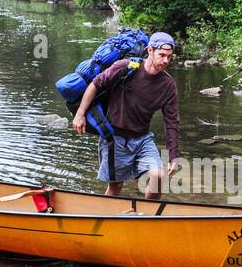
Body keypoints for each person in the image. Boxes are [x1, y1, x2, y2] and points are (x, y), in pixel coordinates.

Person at [71, 31, 181, 198]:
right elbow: (95, 85)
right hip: (115, 139)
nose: (166, 60)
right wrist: (80, 114)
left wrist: (173, 156)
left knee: (158, 177)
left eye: (169, 56)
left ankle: (148, 219)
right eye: (162, 55)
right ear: (150, 51)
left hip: (143, 139)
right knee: (116, 187)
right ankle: (104, 220)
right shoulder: (126, 67)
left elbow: (171, 122)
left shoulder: (168, 85)